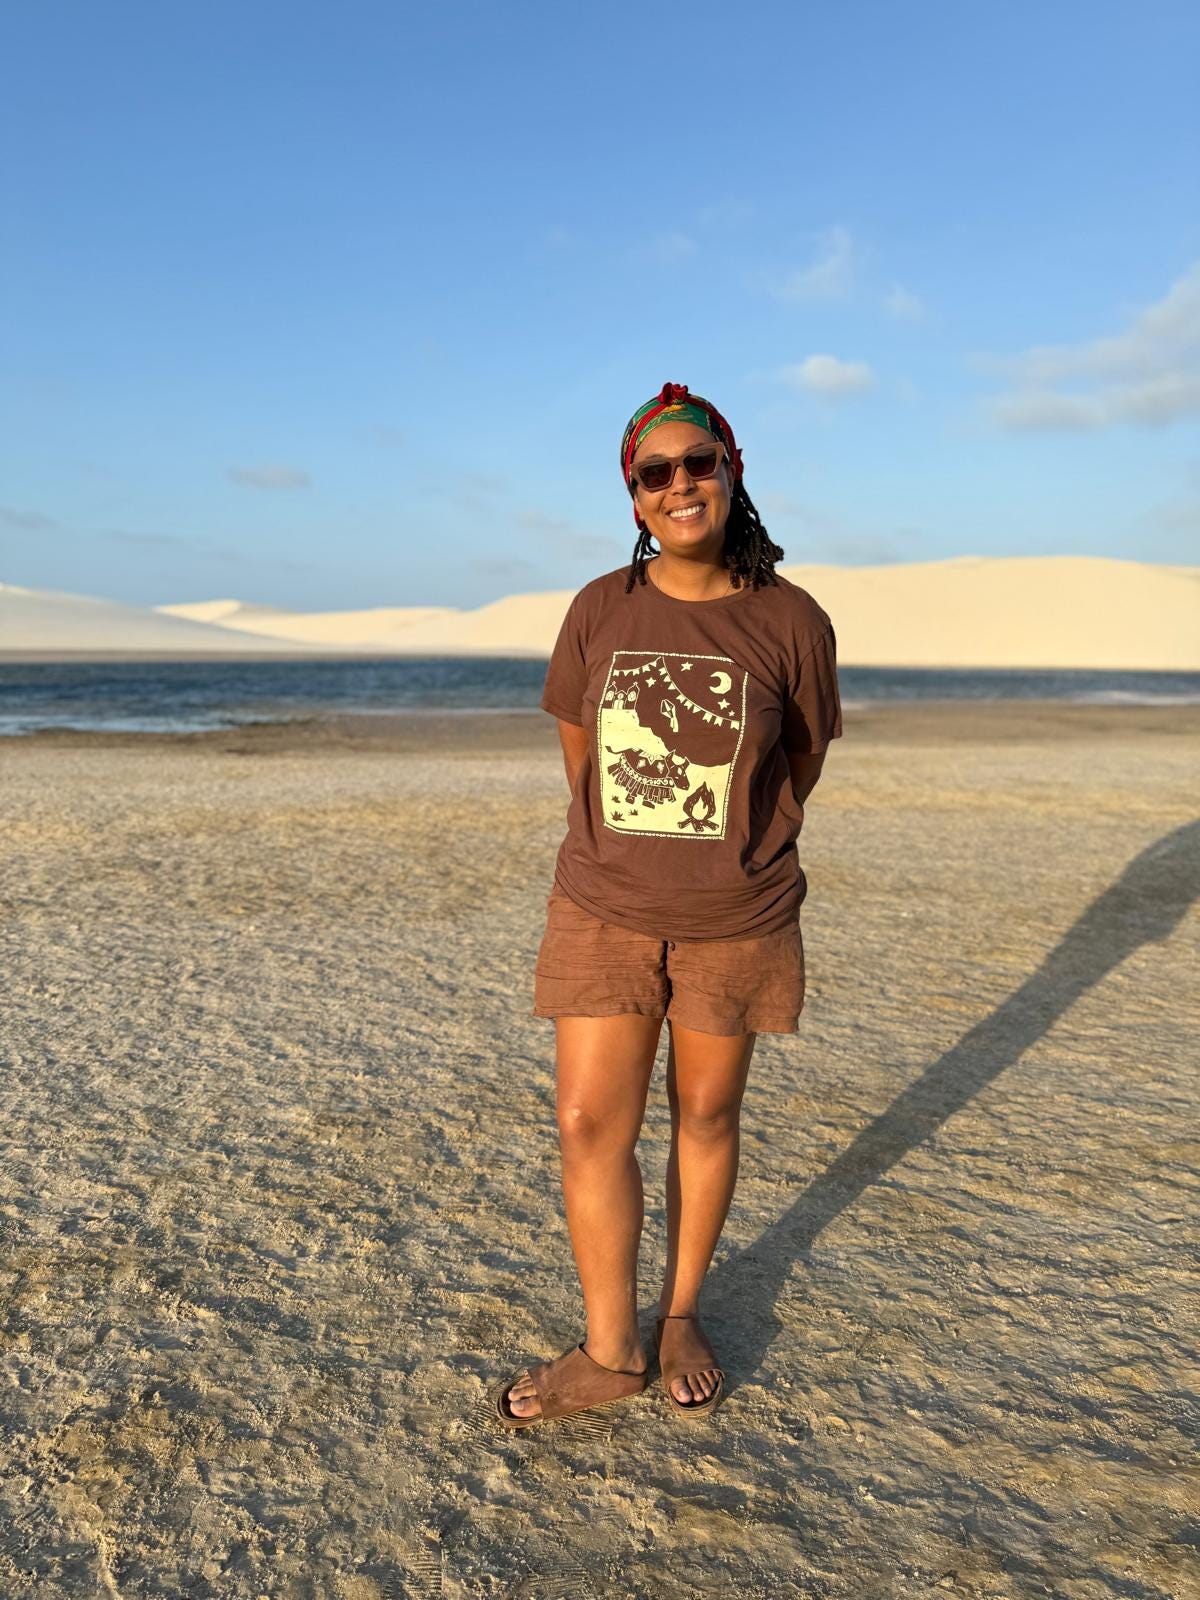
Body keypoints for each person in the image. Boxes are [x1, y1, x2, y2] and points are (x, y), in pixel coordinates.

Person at [491, 382, 842, 1428]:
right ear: (635, 499)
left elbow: (802, 758)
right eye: (658, 473)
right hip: (604, 903)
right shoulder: (602, 606)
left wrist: (727, 850)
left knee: (706, 1111)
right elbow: (580, 753)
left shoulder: (792, 620)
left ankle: (683, 1311)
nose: (682, 484)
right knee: (589, 1118)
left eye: (701, 464)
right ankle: (610, 1346)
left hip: (739, 914)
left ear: (733, 472)